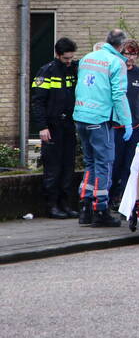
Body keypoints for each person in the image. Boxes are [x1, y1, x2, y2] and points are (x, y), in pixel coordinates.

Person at [73, 29, 132, 227]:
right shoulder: (117, 63)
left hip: (81, 116)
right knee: (104, 163)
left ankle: (85, 206)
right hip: (100, 119)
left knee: (90, 161)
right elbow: (118, 95)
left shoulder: (87, 58)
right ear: (122, 46)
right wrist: (127, 121)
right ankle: (101, 209)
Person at [31, 37, 79, 219]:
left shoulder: (73, 70)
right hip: (52, 126)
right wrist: (42, 126)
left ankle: (65, 204)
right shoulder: (46, 72)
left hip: (68, 125)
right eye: (66, 58)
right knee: (53, 168)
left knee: (68, 166)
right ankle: (52, 206)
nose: (69, 61)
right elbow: (38, 102)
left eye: (71, 58)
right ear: (57, 55)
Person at [110, 39, 139, 207]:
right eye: (127, 53)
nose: (131, 57)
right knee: (115, 164)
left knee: (130, 166)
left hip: (135, 127)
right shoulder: (115, 71)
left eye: (134, 54)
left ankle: (126, 200)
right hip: (118, 127)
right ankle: (111, 198)